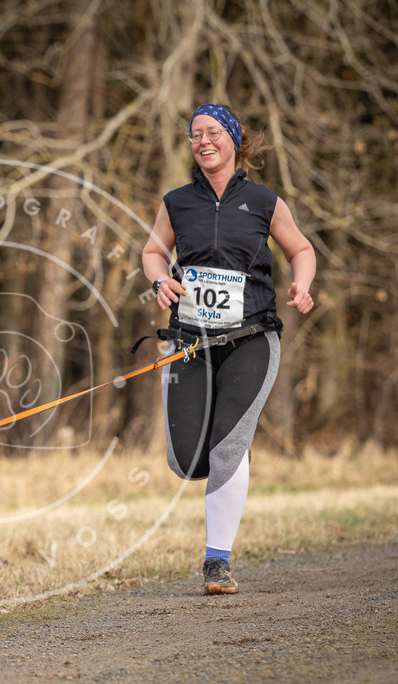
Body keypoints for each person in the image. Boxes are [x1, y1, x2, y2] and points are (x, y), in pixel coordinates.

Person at [142, 103, 316, 595]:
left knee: (227, 443)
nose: (203, 141)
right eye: (195, 134)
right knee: (188, 459)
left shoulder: (263, 201)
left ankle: (216, 562)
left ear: (234, 139)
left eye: (213, 132)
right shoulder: (177, 201)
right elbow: (154, 251)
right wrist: (159, 281)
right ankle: (224, 460)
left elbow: (301, 249)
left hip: (251, 338)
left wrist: (302, 286)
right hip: (190, 342)